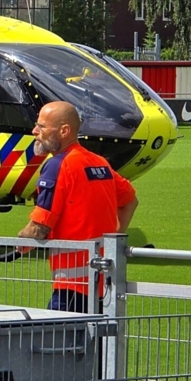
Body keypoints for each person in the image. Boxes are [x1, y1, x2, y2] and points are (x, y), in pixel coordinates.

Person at [18, 101, 138, 313]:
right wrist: (114, 238)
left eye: (42, 127)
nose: (34, 131)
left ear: (64, 131)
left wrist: (17, 244)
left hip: (72, 289)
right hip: (104, 280)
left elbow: (40, 228)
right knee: (100, 344)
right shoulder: (98, 162)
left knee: (57, 343)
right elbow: (130, 201)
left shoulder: (57, 165)